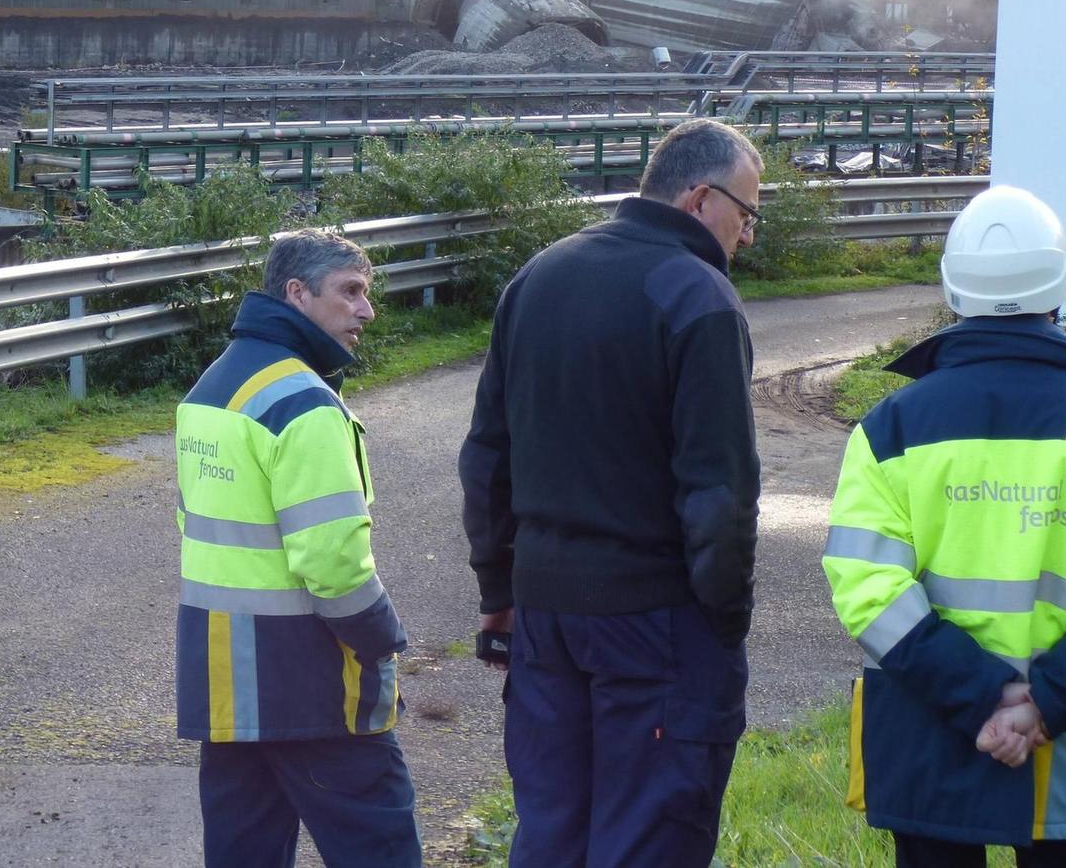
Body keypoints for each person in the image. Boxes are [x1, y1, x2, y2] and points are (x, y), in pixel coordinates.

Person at [822, 185, 1066, 868]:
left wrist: (979, 695)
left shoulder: (892, 429)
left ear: (953, 290)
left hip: (930, 723)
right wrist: (1043, 703)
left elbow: (866, 584)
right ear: (1060, 288)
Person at [459, 117, 763, 868]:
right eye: (747, 213)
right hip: (655, 622)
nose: (749, 234)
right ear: (701, 200)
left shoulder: (541, 273)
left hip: (544, 620)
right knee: (648, 839)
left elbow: (485, 456)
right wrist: (724, 621)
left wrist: (499, 588)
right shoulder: (699, 297)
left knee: (551, 833)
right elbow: (719, 493)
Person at [174, 229, 421, 868]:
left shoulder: (213, 387)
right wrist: (382, 641)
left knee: (243, 852)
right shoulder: (305, 404)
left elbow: (198, 527)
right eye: (351, 292)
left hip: (226, 680)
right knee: (379, 849)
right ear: (296, 294)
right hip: (311, 683)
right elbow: (333, 563)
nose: (366, 310)